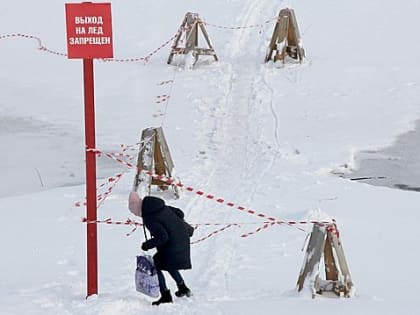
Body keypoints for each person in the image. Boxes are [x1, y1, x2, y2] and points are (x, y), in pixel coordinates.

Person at [128, 192, 192, 305]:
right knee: (167, 263)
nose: (137, 215)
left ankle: (165, 296)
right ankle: (183, 288)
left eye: (135, 212)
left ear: (138, 208)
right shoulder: (158, 207)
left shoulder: (150, 217)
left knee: (156, 265)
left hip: (173, 242)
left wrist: (147, 245)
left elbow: (163, 237)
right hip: (181, 238)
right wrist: (174, 225)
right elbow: (179, 213)